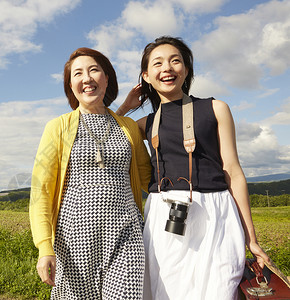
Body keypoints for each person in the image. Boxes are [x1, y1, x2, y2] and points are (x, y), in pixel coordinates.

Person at [116, 36, 270, 300]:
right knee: (167, 292)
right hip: (165, 216)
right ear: (147, 77)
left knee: (220, 290)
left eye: (175, 61)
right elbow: (110, 131)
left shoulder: (216, 108)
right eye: (158, 63)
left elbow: (233, 171)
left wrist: (251, 238)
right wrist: (128, 106)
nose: (167, 68)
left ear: (186, 70)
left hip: (216, 214)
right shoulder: (146, 122)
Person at [30, 47, 151, 299]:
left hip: (126, 236)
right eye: (78, 73)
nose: (87, 78)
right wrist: (44, 247)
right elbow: (41, 191)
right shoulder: (57, 127)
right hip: (73, 241)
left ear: (107, 78)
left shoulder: (127, 127)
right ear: (70, 85)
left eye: (94, 70)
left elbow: (149, 178)